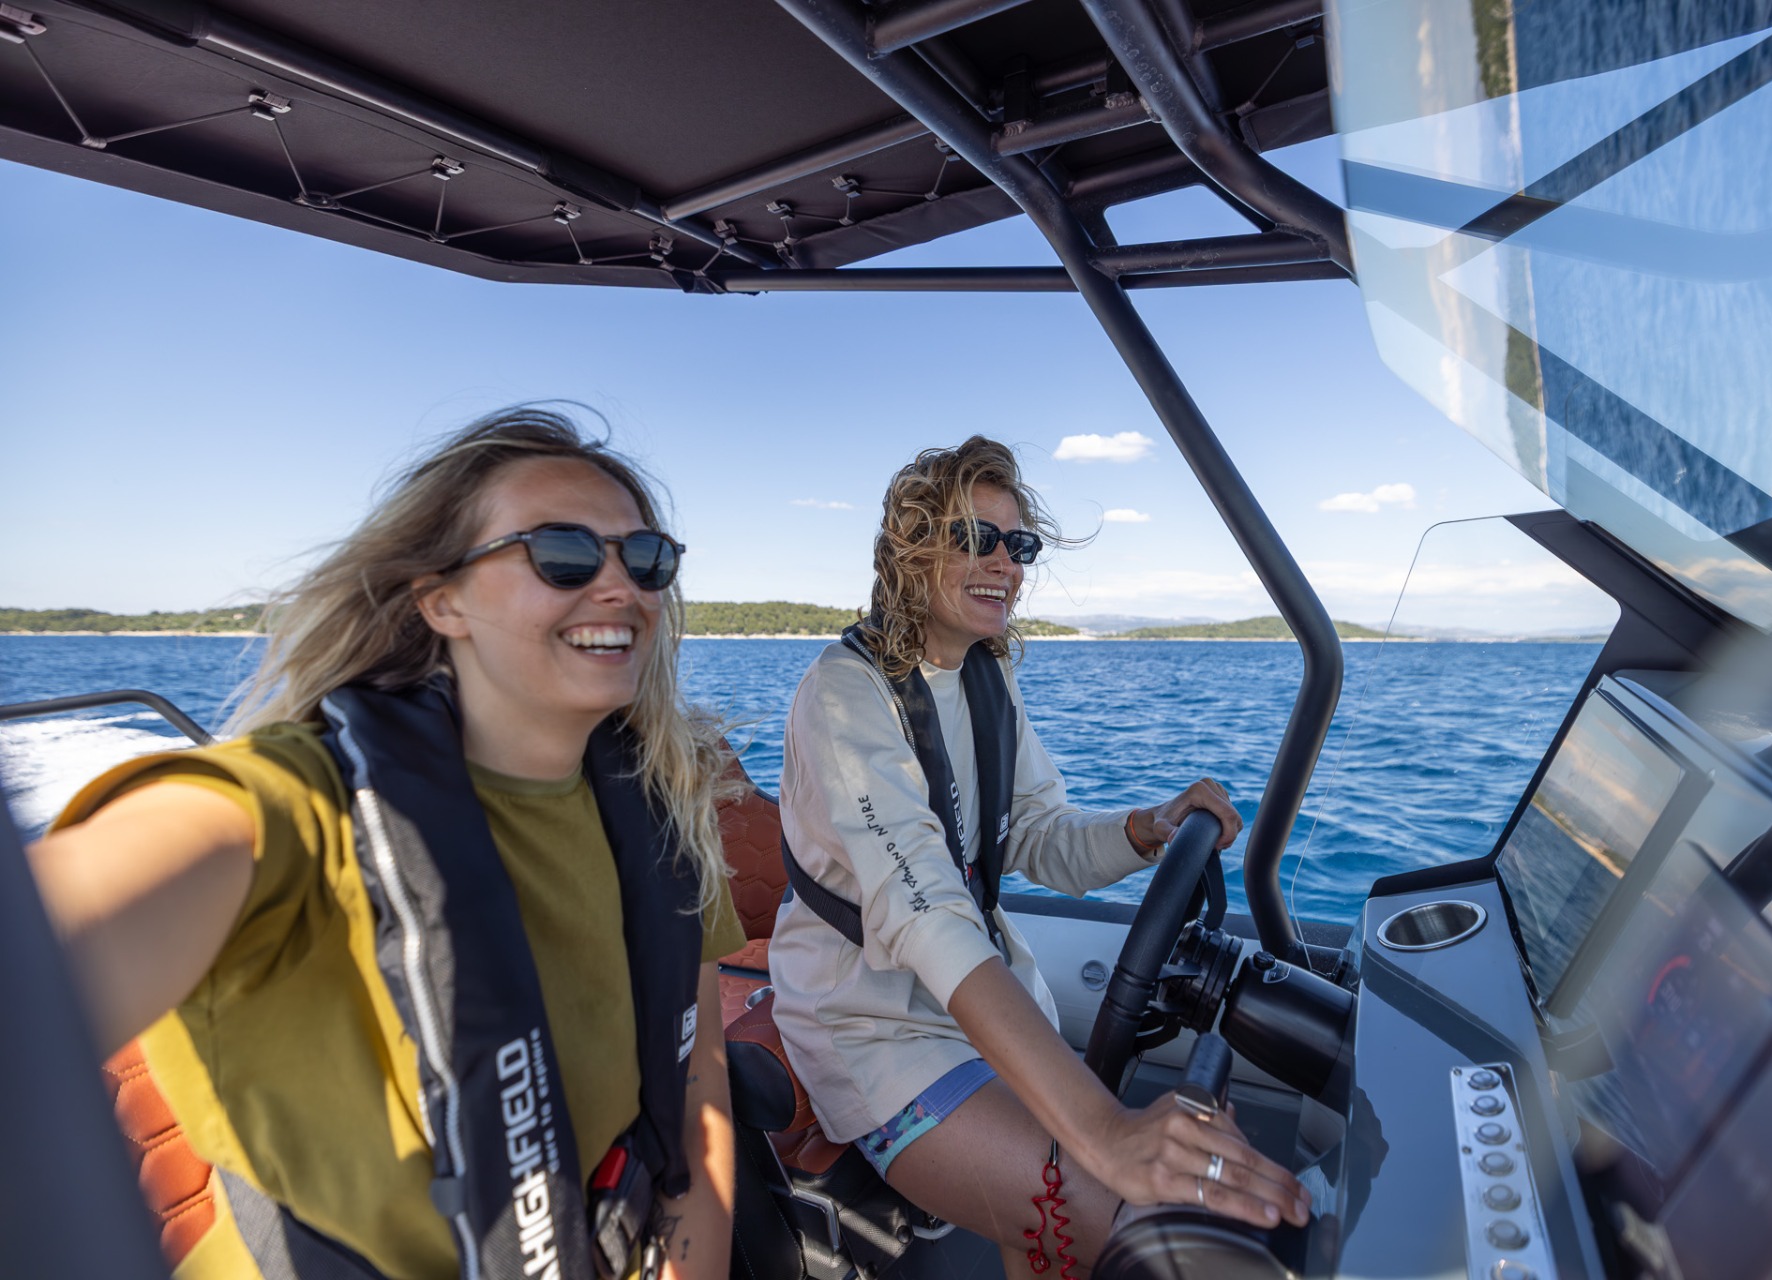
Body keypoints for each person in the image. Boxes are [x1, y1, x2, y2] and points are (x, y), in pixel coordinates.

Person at [26, 407, 744, 1280]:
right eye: (563, 553)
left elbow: (699, 1081)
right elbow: (79, 922)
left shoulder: (664, 805)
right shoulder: (295, 805)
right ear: (441, 600)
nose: (621, 586)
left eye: (646, 559)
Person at [768, 436, 1312, 1277]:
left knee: (1070, 1235)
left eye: (1017, 544)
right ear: (912, 549)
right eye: (975, 537)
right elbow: (925, 910)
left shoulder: (986, 678)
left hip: (980, 1005)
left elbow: (1035, 834)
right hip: (877, 1031)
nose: (1006, 563)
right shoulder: (845, 693)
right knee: (1157, 1229)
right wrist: (1105, 1132)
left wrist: (1146, 827)